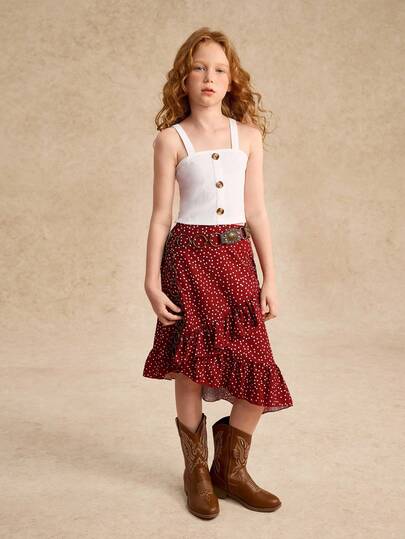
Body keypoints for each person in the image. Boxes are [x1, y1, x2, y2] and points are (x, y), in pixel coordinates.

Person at [143, 27, 293, 519]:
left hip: (235, 260)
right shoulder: (171, 140)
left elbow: (257, 212)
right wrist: (151, 280)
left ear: (231, 81)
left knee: (256, 370)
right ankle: (197, 473)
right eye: (199, 67)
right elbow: (161, 217)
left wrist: (270, 277)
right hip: (187, 259)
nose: (209, 77)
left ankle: (232, 471)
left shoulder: (247, 137)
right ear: (184, 79)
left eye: (220, 69)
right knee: (190, 367)